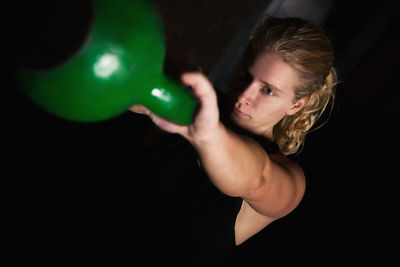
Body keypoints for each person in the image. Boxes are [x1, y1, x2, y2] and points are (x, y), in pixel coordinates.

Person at [130, 17, 336, 264]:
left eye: (268, 90)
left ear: (296, 104)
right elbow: (131, 86)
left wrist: (207, 133)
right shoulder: (196, 103)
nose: (243, 96)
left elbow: (254, 179)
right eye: (245, 76)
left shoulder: (289, 179)